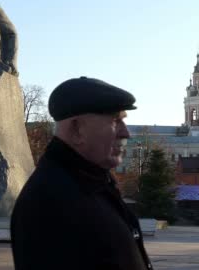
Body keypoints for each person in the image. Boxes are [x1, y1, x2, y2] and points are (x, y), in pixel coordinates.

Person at [11, 76, 153, 270]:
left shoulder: (89, 182)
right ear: (77, 129)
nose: (125, 133)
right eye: (115, 121)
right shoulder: (51, 200)